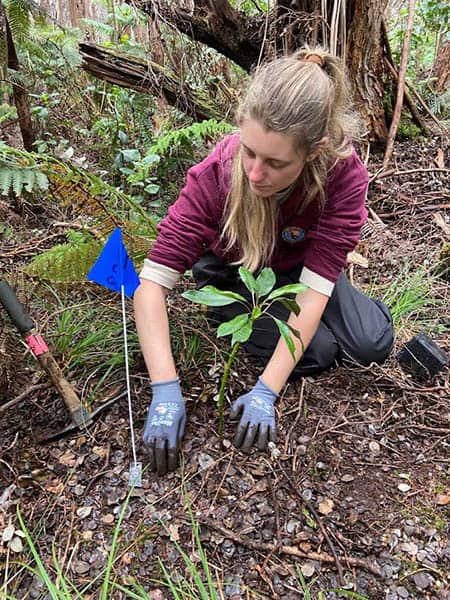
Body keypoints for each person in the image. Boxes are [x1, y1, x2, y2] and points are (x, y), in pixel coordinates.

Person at [134, 47, 394, 475]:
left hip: (302, 271)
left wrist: (265, 391)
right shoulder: (214, 178)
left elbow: (314, 288)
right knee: (319, 352)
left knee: (372, 344)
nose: (255, 173)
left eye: (275, 163)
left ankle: (340, 321)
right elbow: (152, 283)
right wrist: (165, 389)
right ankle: (241, 319)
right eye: (249, 152)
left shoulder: (342, 177)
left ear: (314, 151)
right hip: (235, 273)